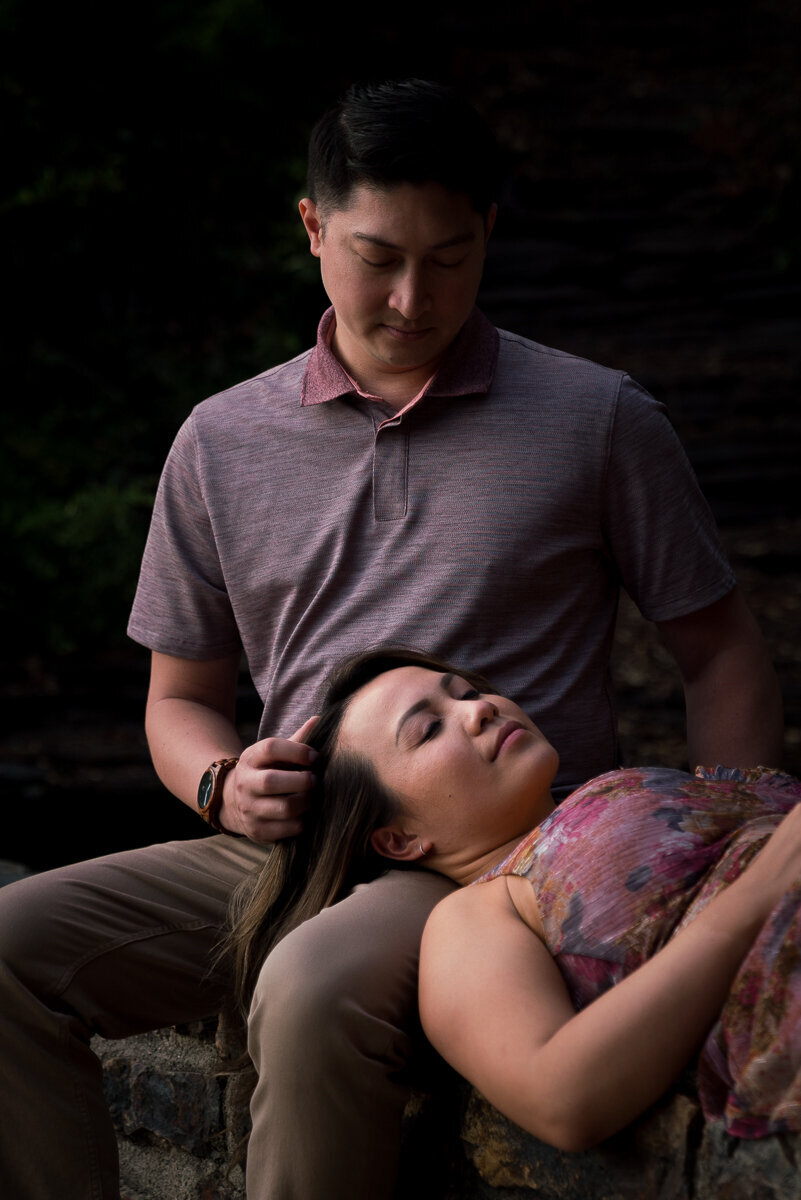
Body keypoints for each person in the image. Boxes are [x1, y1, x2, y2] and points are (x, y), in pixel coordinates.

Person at [0, 80, 783, 1200]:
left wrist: (715, 845)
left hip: (490, 866)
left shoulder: (597, 419)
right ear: (313, 228)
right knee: (7, 951)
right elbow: (179, 701)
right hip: (274, 851)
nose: (415, 298)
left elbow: (721, 651)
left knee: (314, 987)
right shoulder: (219, 441)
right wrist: (221, 781)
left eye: (451, 258)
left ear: (489, 236)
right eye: (378, 256)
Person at [229, 646, 801, 1152]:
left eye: (468, 693)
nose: (480, 709)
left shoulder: (599, 791)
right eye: (429, 730)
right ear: (399, 839)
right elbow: (562, 1097)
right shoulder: (473, 915)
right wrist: (760, 891)